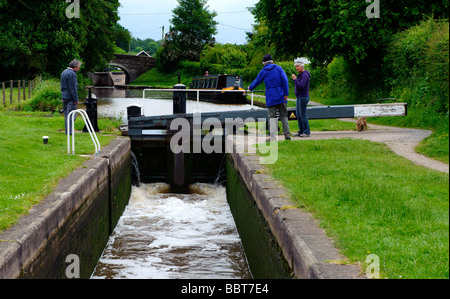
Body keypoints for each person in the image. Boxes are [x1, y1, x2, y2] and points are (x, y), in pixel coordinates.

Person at [248, 54, 291, 141]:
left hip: (271, 96)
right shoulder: (279, 69)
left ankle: (272, 137)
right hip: (281, 95)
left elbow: (257, 81)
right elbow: (285, 80)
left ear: (264, 63)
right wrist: (286, 93)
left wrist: (250, 87)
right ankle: (287, 135)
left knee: (272, 117)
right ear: (272, 61)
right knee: (284, 115)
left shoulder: (264, 71)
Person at [61, 59, 82, 135]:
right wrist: (76, 99)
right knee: (72, 114)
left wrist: (62, 97)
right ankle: (70, 131)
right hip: (70, 98)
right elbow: (72, 88)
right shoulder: (72, 74)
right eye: (79, 66)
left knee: (67, 115)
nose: (79, 68)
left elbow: (62, 86)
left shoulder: (64, 72)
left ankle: (67, 131)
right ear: (76, 66)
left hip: (64, 96)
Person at [292, 58, 311, 137]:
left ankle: (306, 132)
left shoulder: (305, 75)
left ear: (302, 66)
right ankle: (301, 130)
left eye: (298, 66)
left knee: (302, 114)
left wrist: (295, 80)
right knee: (298, 114)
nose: (297, 68)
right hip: (299, 96)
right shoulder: (300, 75)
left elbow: (301, 86)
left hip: (303, 96)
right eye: (296, 66)